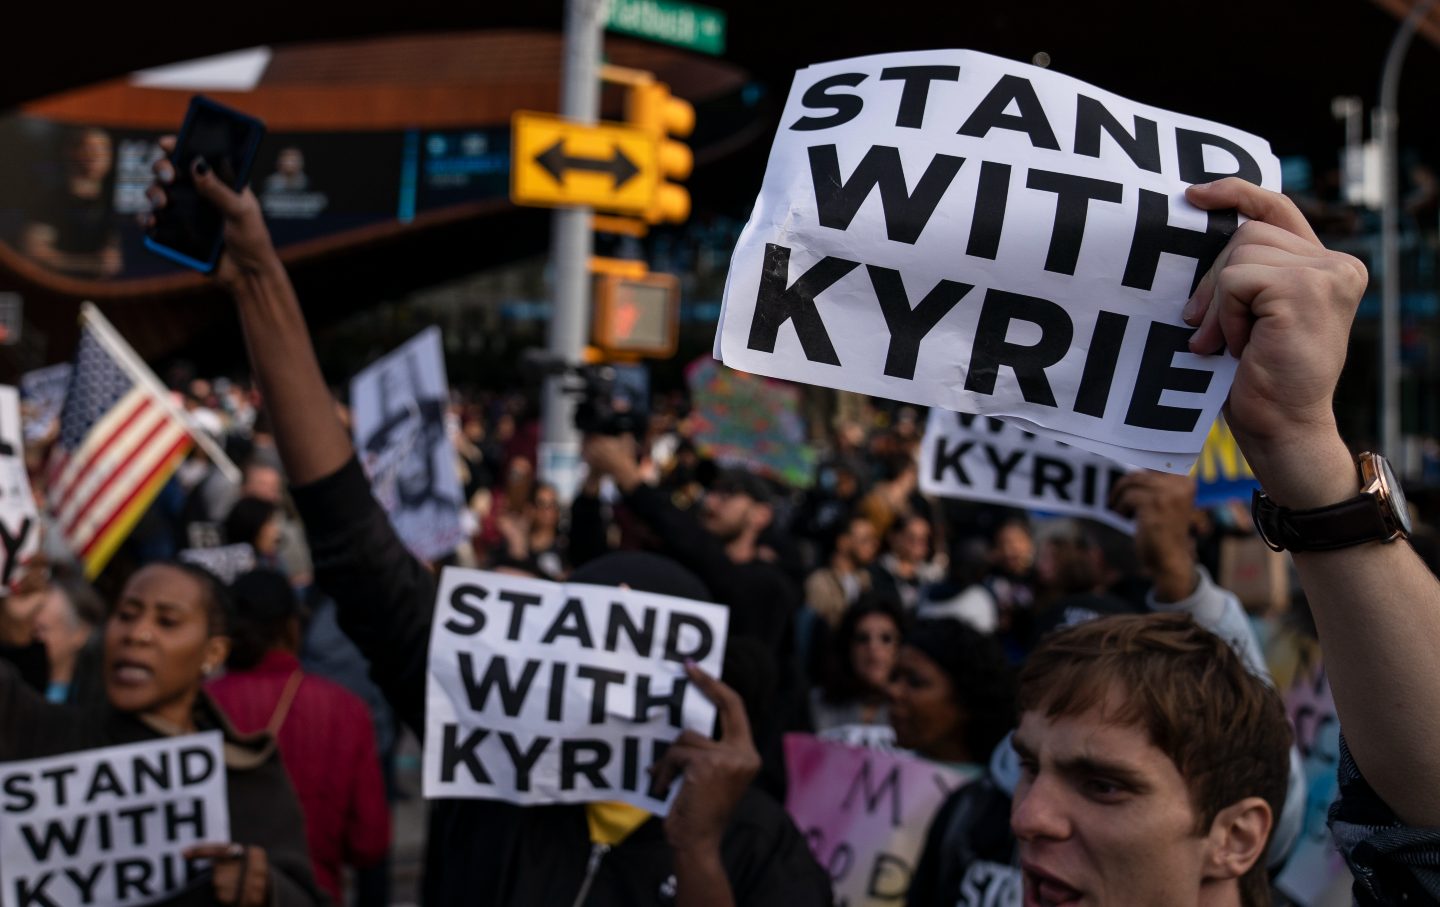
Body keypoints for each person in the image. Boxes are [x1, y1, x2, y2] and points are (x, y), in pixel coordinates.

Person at [155, 144, 831, 906]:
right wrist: (257, 278)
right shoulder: (489, 767)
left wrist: (700, 849)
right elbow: (353, 539)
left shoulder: (761, 842)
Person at [0, 560, 325, 906]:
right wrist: (12, 630)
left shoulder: (245, 777)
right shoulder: (48, 734)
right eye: (126, 614)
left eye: (167, 621)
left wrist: (263, 889)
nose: (136, 634)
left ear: (213, 653)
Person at [207, 569, 390, 904]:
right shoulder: (344, 709)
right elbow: (369, 842)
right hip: (313, 893)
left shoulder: (195, 705)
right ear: (292, 628)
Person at [888, 617, 1015, 774]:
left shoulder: (1003, 791)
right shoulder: (879, 774)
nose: (893, 691)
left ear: (966, 702)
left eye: (915, 682)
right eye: (894, 677)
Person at [810, 591, 903, 734]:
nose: (873, 648)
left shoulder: (912, 711)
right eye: (862, 638)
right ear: (848, 647)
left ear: (900, 648)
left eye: (886, 639)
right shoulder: (817, 703)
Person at [803, 514, 879, 630]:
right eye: (865, 539)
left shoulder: (868, 580)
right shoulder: (820, 582)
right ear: (843, 542)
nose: (874, 544)